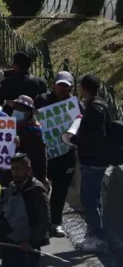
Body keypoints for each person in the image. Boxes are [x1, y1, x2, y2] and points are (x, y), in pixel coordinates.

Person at [70, 73, 110, 252]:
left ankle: (99, 238)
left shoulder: (94, 108)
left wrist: (77, 140)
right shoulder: (101, 105)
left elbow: (97, 136)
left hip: (93, 161)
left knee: (89, 201)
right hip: (98, 160)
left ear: (83, 88)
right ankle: (92, 235)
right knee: (95, 200)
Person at [34, 71, 76, 238]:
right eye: (60, 85)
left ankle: (55, 223)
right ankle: (39, 222)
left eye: (67, 87)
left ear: (71, 88)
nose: (63, 89)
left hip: (66, 154)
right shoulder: (41, 100)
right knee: (40, 188)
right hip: (44, 153)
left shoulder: (74, 104)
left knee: (60, 190)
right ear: (54, 85)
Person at [0, 153, 50, 267]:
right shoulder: (12, 187)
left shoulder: (37, 191)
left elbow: (45, 221)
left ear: (28, 170)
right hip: (10, 244)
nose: (15, 172)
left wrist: (31, 242)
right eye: (13, 168)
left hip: (28, 247)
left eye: (18, 169)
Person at [12, 95, 47, 185]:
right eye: (16, 108)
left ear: (28, 112)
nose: (17, 111)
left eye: (21, 109)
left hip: (29, 178)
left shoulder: (35, 131)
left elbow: (40, 159)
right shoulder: (8, 128)